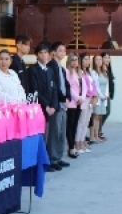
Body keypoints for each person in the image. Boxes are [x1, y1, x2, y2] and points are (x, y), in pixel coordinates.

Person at [27, 42, 62, 171]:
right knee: (40, 137)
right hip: (39, 108)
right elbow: (35, 90)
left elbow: (54, 89)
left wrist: (53, 105)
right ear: (36, 55)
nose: (43, 55)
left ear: (49, 54)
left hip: (50, 109)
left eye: (45, 52)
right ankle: (39, 164)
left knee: (49, 136)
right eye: (40, 52)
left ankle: (48, 160)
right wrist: (46, 105)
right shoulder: (32, 70)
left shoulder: (50, 70)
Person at [47, 41, 71, 170]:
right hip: (56, 104)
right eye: (60, 50)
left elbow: (66, 85)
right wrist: (62, 98)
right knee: (54, 133)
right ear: (54, 52)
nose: (63, 53)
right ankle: (52, 158)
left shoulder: (61, 67)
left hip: (63, 104)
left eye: (64, 50)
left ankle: (59, 157)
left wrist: (68, 97)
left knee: (62, 132)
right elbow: (54, 86)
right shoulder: (51, 66)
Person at [64, 53, 84, 159]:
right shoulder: (67, 72)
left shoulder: (77, 73)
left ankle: (72, 147)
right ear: (69, 61)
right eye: (73, 60)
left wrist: (81, 98)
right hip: (72, 102)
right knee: (70, 127)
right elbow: (69, 88)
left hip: (78, 103)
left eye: (76, 60)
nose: (75, 62)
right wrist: (77, 98)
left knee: (75, 125)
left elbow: (81, 87)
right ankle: (71, 148)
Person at [91, 54, 110, 143]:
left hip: (103, 98)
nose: (99, 61)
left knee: (99, 117)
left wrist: (106, 95)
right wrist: (101, 96)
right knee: (95, 116)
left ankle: (97, 134)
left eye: (100, 59)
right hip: (98, 97)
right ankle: (93, 136)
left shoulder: (104, 72)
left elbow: (107, 85)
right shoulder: (93, 72)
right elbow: (96, 85)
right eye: (97, 60)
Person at [100, 51, 115, 139]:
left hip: (107, 95)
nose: (107, 59)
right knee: (102, 113)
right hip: (102, 95)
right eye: (105, 57)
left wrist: (111, 93)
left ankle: (99, 130)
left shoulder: (108, 69)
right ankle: (97, 131)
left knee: (107, 112)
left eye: (108, 57)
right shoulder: (100, 70)